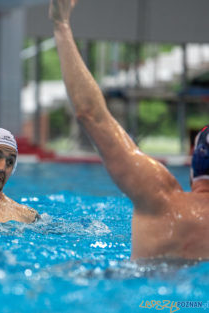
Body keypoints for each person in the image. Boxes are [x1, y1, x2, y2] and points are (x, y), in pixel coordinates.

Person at [49, 0, 209, 260]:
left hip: (148, 300)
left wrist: (61, 25)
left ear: (193, 171)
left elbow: (90, 115)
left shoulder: (159, 197)